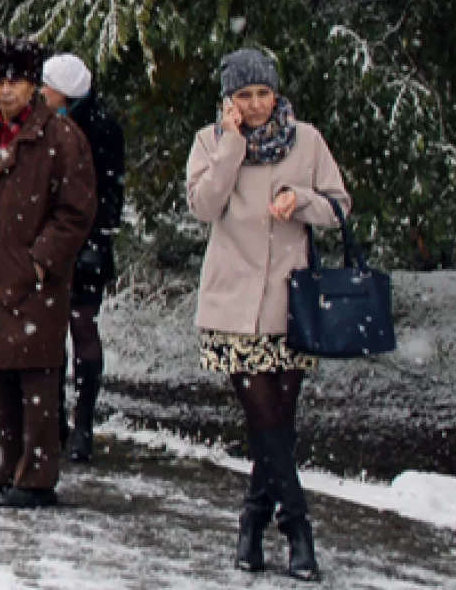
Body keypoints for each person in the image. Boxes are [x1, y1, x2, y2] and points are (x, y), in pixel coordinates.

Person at [186, 48, 346, 581]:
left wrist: (299, 200)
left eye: (263, 94)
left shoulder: (308, 140)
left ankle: (253, 523)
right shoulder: (211, 142)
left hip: (290, 306)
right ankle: (299, 531)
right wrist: (233, 145)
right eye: (243, 96)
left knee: (277, 425)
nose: (255, 105)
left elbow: (338, 205)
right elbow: (204, 207)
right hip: (232, 307)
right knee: (265, 419)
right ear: (228, 100)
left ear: (276, 94)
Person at [0, 38, 96, 510]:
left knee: (37, 379)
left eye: (14, 81)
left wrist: (40, 260)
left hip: (36, 283)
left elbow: (76, 211)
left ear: (33, 84)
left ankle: (35, 478)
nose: (5, 91)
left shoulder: (59, 137)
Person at [41, 54, 126, 463]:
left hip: (85, 243)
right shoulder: (45, 125)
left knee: (81, 328)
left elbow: (110, 192)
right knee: (52, 331)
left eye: (48, 86)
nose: (41, 92)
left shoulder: (100, 130)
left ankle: (83, 422)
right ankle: (55, 419)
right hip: (53, 241)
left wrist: (94, 236)